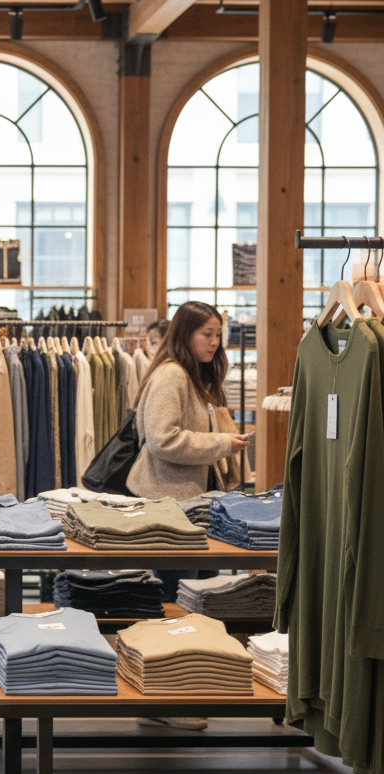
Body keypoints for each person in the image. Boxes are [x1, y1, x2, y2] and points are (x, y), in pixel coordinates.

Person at [127, 301, 250, 731]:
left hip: (190, 511)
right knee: (168, 607)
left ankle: (176, 692)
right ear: (185, 334)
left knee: (186, 606)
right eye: (208, 334)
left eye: (219, 334)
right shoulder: (171, 376)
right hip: (168, 510)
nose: (216, 343)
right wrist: (220, 443)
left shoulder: (195, 375)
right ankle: (160, 696)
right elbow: (163, 440)